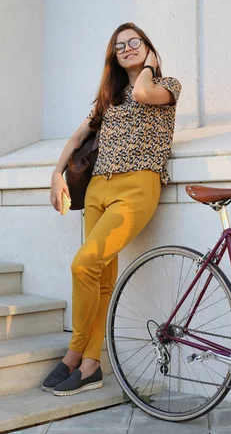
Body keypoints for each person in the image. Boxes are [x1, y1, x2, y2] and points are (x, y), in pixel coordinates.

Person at [42, 22, 181, 396]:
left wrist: (150, 66)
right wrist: (56, 174)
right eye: (120, 46)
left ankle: (77, 352)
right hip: (97, 192)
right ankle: (88, 363)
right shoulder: (111, 96)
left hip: (137, 187)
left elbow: (143, 91)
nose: (128, 49)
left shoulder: (165, 87)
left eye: (135, 42)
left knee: (83, 263)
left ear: (149, 49)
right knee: (100, 278)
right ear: (113, 56)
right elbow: (78, 137)